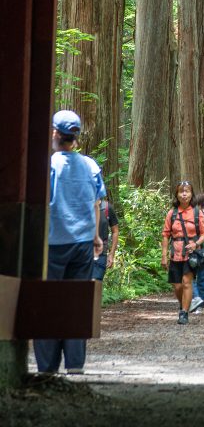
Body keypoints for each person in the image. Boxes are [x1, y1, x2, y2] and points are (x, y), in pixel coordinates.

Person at [34, 110, 106, 375]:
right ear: (75, 136)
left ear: (55, 133)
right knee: (76, 301)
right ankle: (75, 363)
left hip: (53, 243)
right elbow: (96, 201)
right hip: (83, 243)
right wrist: (97, 236)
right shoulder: (90, 165)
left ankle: (47, 365)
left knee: (48, 301)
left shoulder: (49, 165)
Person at [161, 180, 204, 325]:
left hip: (191, 255)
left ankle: (184, 313)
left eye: (187, 191)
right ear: (177, 194)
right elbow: (165, 235)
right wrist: (163, 256)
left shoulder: (197, 212)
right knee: (177, 285)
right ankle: (183, 304)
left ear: (191, 194)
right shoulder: (171, 213)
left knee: (187, 282)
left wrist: (196, 244)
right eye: (181, 191)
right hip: (175, 253)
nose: (184, 194)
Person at [92, 197, 119, 284]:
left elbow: (115, 231)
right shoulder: (81, 207)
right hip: (83, 253)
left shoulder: (107, 207)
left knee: (95, 284)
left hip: (101, 254)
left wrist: (111, 254)